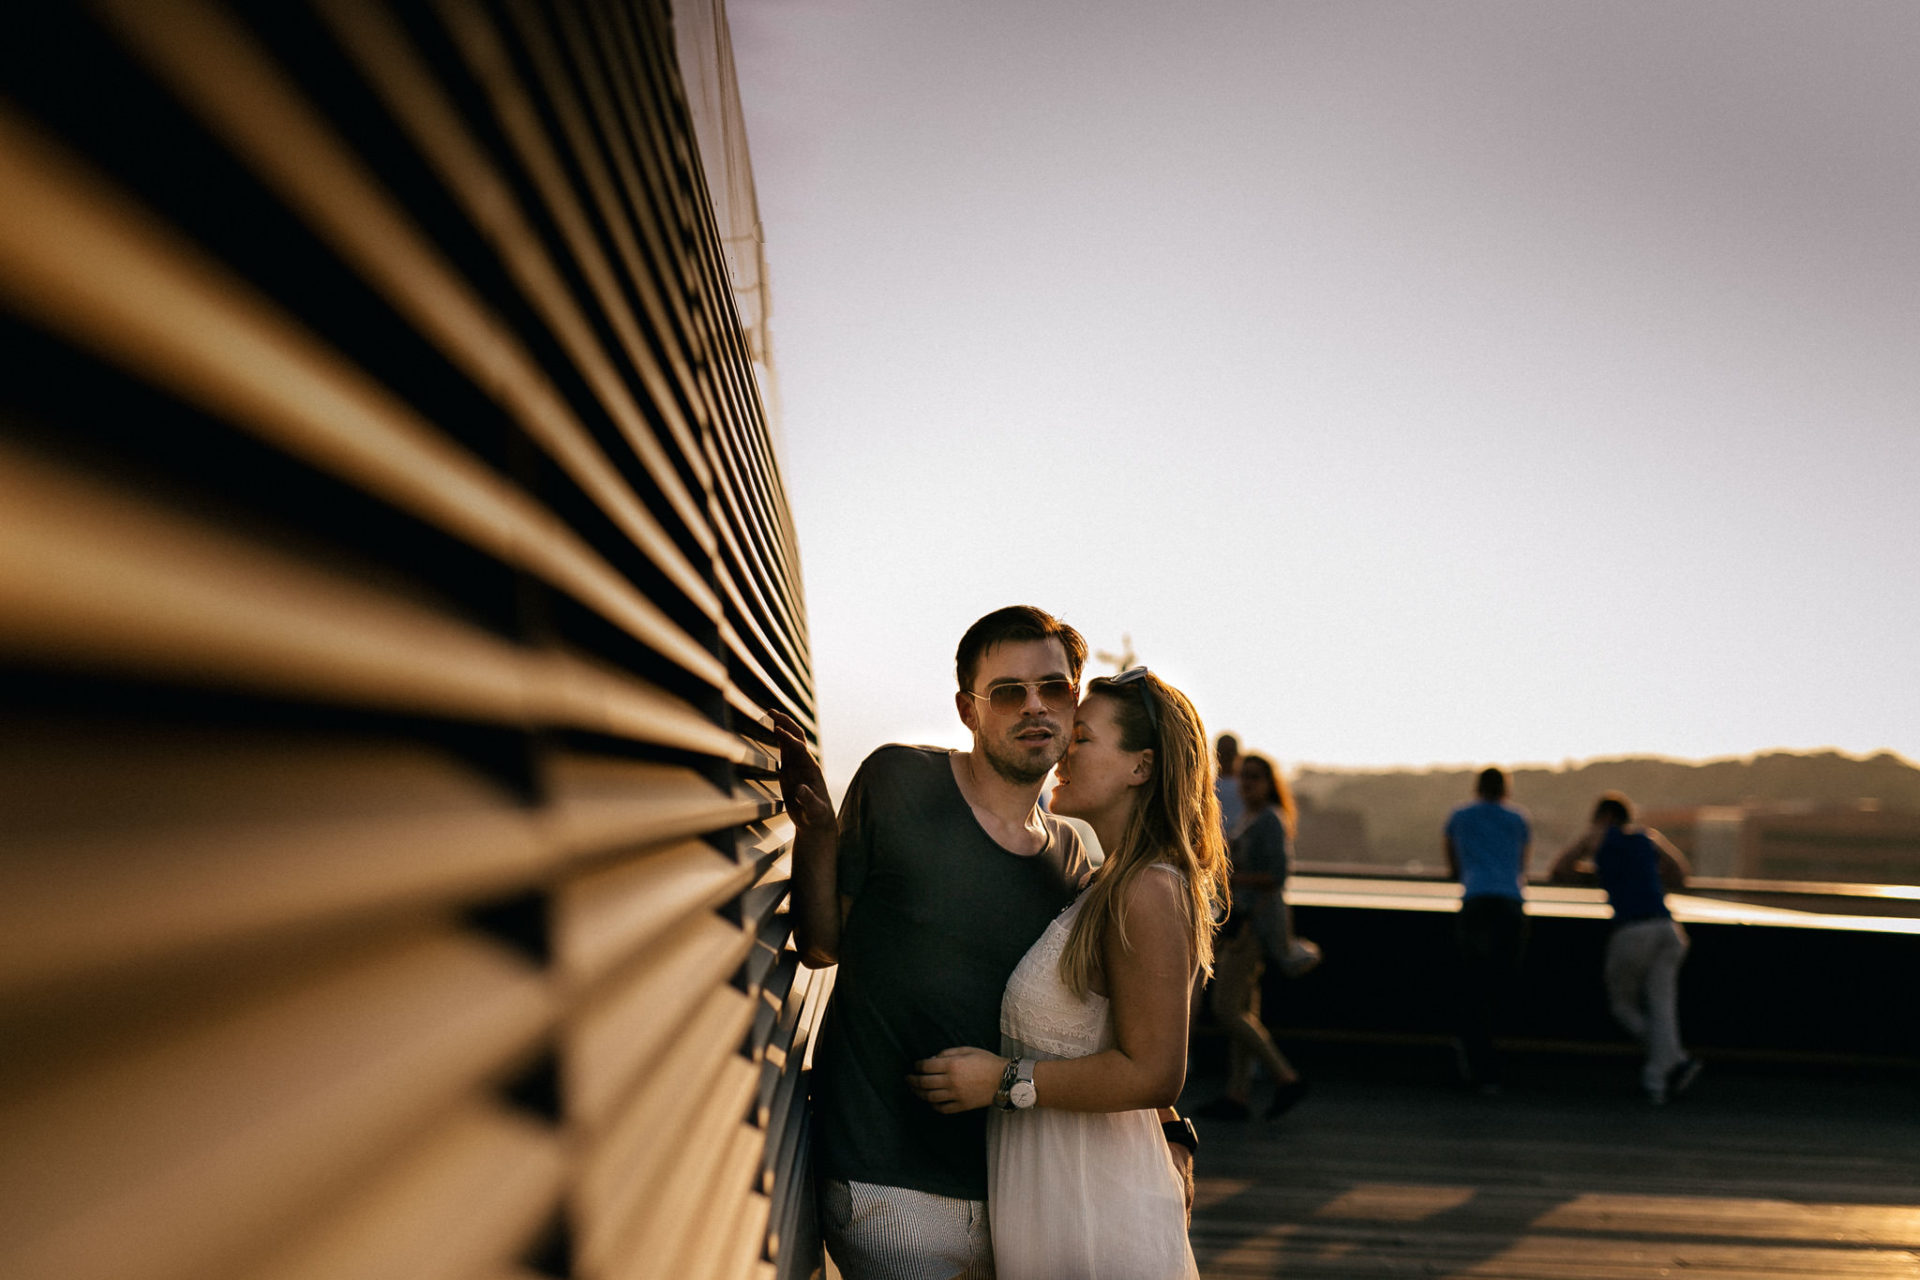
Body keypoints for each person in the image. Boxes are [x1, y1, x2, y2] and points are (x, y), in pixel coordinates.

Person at [775, 607, 1194, 1279]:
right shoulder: (898, 781)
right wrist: (818, 837)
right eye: (1008, 692)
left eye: (1054, 689)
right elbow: (823, 945)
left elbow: (1120, 1023)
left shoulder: (1072, 864)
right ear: (969, 710)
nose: (1034, 707)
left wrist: (1173, 1127)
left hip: (1024, 1196)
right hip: (891, 1188)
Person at [906, 666, 1225, 1279]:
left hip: (1093, 1208)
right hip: (1057, 1190)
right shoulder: (1103, 883)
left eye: (1082, 738)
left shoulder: (1149, 891)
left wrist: (1002, 1081)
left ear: (1141, 766)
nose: (1060, 750)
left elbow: (1156, 1072)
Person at [1548, 792, 1703, 1105]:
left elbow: (1560, 869)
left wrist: (1598, 867)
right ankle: (1661, 1074)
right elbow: (1679, 872)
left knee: (1622, 1004)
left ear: (1604, 817)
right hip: (1667, 929)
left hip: (1633, 931)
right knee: (1662, 1006)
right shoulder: (1647, 838)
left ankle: (1669, 1061)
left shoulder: (1600, 839)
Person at [1195, 750, 1310, 1120]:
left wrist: (1229, 876)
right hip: (1243, 924)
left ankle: (1285, 1076)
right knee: (1244, 1011)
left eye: (1255, 777)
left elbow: (1276, 876)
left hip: (1253, 927)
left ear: (1270, 783)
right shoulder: (1253, 818)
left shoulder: (1268, 821)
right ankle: (1238, 1095)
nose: (1247, 784)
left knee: (1227, 1010)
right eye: (1244, 777)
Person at [1443, 766, 1532, 1091]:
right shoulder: (1518, 818)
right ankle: (1494, 1063)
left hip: (1476, 900)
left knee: (1472, 982)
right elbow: (1521, 866)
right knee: (1501, 982)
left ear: (1477, 787)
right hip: (1510, 903)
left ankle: (1476, 1060)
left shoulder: (1460, 815)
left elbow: (1454, 864)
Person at [1213, 732, 1244, 837]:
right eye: (1223, 752)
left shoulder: (1245, 787)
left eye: (1230, 752)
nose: (1226, 757)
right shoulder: (1206, 788)